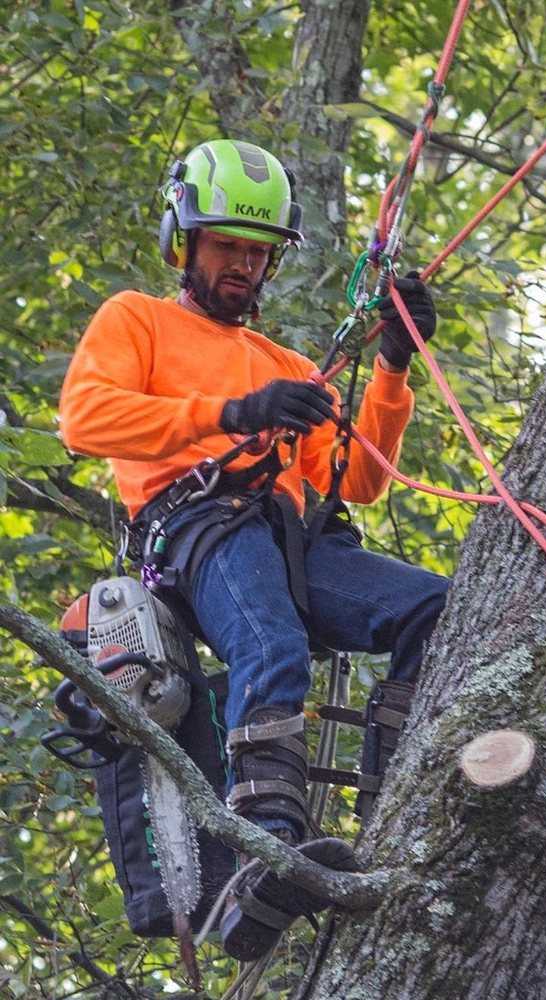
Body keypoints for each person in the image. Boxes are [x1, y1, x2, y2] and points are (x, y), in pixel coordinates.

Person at [59, 138, 449, 959]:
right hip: (199, 526)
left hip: (293, 537)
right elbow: (86, 417)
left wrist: (390, 366)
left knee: (433, 608)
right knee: (267, 640)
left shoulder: (288, 365)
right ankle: (263, 848)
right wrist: (230, 413)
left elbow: (356, 478)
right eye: (226, 246)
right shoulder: (138, 318)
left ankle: (399, 803)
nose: (242, 263)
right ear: (184, 243)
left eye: (256, 251)